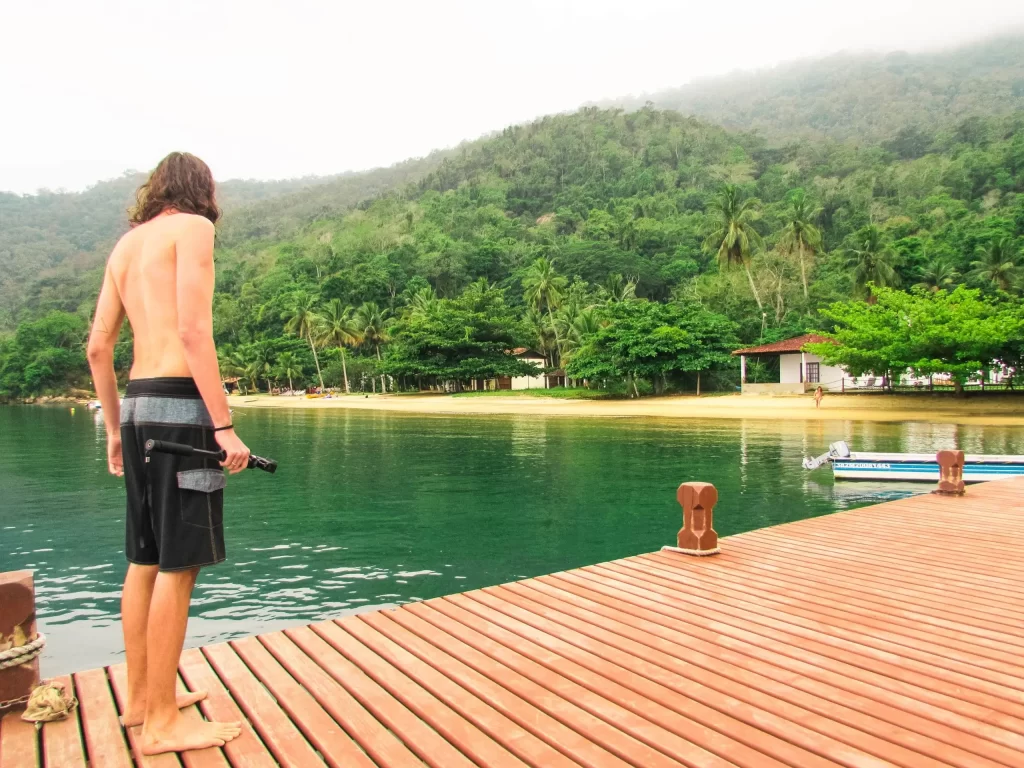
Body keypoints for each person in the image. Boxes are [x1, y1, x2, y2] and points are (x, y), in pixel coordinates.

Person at [87, 152, 248, 755]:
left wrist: (109, 428)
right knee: (180, 566)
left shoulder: (126, 247)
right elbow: (191, 331)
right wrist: (223, 424)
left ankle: (140, 699)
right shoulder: (195, 229)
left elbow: (98, 347)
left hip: (133, 408)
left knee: (145, 558)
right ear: (201, 190)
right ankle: (161, 723)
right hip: (181, 407)